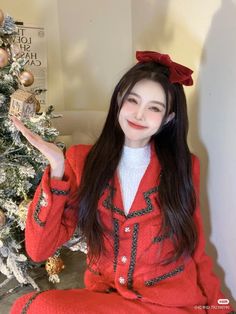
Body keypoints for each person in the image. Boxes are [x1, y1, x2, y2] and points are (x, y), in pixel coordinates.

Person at [10, 51, 235, 314]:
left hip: (168, 304)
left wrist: (219, 307)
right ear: (119, 100)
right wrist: (57, 169)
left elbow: (194, 247)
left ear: (169, 118)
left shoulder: (184, 165)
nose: (139, 114)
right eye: (133, 100)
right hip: (107, 300)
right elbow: (38, 250)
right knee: (35, 307)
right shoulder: (80, 160)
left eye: (154, 108)